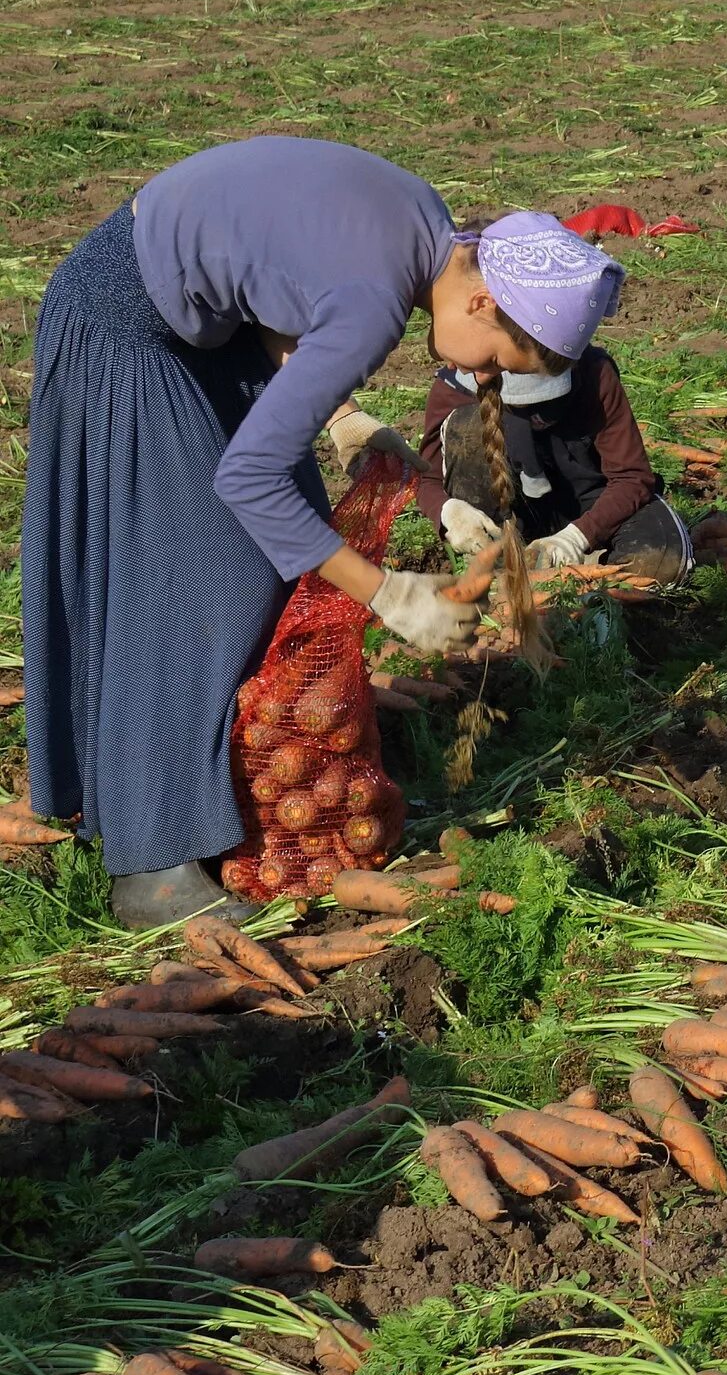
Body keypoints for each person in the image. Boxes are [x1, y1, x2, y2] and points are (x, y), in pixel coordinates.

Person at [21, 136, 625, 928]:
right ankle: (152, 861)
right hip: (124, 324)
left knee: (294, 520)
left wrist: (343, 417)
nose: (489, 381)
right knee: (206, 573)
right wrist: (389, 595)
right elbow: (246, 478)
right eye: (505, 361)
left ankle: (245, 774)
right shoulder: (378, 300)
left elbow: (280, 279)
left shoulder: (431, 226)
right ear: (482, 303)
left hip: (200, 327)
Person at [413, 343, 692, 585]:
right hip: (511, 521)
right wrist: (448, 512)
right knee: (468, 428)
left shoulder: (593, 372)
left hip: (595, 507)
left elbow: (632, 478)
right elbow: (428, 480)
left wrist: (578, 537)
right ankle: (501, 571)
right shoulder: (457, 384)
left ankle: (589, 570)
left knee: (660, 560)